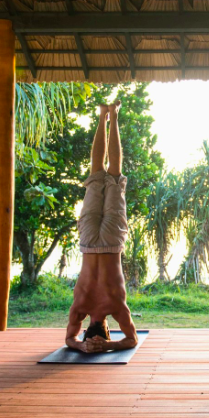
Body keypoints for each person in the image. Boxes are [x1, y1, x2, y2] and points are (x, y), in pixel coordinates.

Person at [65, 101, 138, 353]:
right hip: (88, 243)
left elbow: (131, 340)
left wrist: (109, 346)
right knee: (97, 173)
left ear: (107, 328)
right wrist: (82, 346)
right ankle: (102, 116)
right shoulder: (79, 307)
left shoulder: (117, 307)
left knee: (114, 174)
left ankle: (113, 116)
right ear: (87, 328)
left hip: (110, 242)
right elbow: (69, 339)